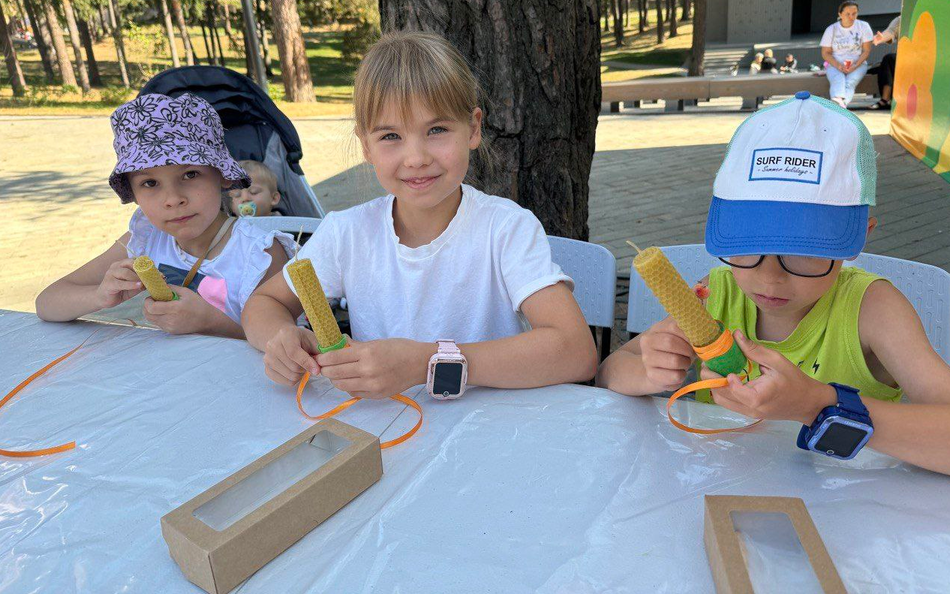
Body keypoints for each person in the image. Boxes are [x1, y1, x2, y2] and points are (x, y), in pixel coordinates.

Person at [597, 92, 950, 477]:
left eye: (803, 251)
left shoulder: (873, 309)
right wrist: (648, 373)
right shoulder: (716, 292)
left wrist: (818, 406)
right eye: (749, 246)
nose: (769, 277)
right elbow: (610, 372)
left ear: (858, 239)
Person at [242, 31, 597, 397]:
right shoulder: (347, 234)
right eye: (390, 137)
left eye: (437, 129)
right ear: (366, 145)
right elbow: (263, 304)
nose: (416, 158)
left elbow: (574, 351)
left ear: (473, 128)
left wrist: (428, 362)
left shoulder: (506, 229)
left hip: (490, 431)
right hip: (384, 428)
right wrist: (280, 339)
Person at [36, 93, 295, 338]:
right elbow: (47, 302)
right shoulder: (146, 239)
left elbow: (285, 343)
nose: (173, 199)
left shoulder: (261, 254)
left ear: (222, 176)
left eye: (190, 174)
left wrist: (211, 322)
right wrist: (100, 295)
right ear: (133, 193)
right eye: (150, 183)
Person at [819, 0, 874, 108]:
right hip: (835, 63)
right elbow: (825, 53)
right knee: (837, 79)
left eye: (854, 13)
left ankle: (839, 103)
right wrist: (838, 65)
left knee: (850, 82)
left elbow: (866, 51)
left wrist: (855, 65)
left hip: (858, 63)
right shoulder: (831, 29)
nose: (851, 17)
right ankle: (839, 102)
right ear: (840, 14)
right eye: (847, 14)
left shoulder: (864, 26)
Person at [868, 15, 900, 110]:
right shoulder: (900, 19)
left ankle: (886, 99)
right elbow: (890, 32)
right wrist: (880, 38)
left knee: (887, 61)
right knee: (885, 63)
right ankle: (885, 100)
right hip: (902, 60)